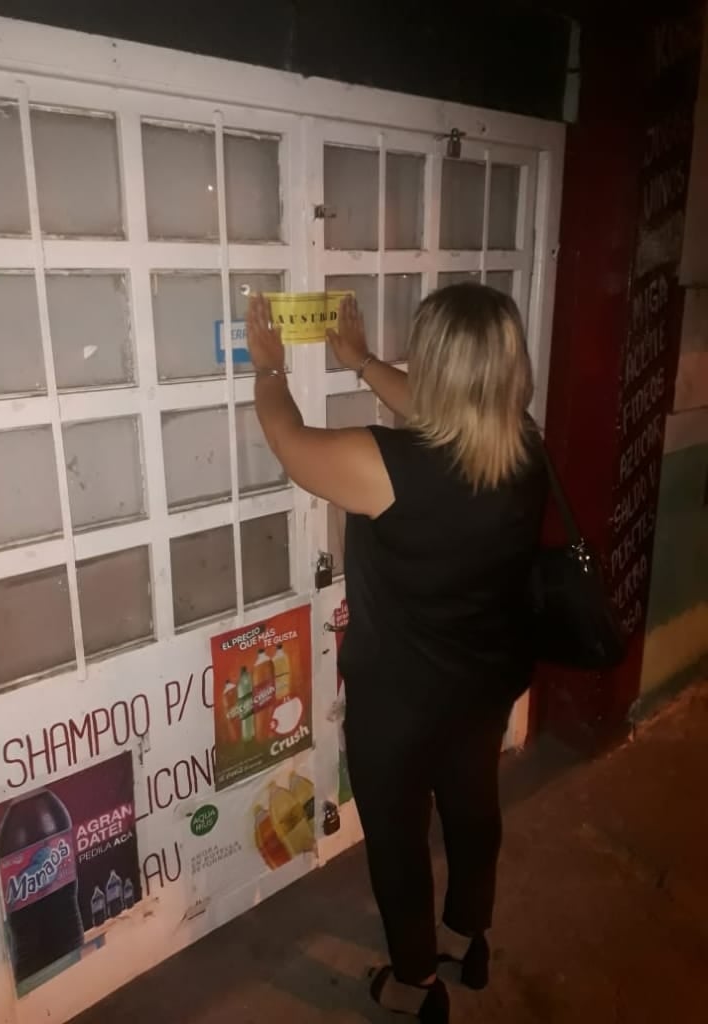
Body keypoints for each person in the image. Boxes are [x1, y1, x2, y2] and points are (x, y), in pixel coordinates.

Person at [246, 284, 547, 1022]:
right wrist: (362, 362)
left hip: (402, 702)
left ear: (436, 363)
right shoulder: (523, 441)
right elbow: (448, 413)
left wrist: (269, 368)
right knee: (472, 802)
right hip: (487, 678)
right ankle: (467, 937)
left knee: (398, 836)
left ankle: (414, 981)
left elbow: (289, 442)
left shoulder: (380, 463)